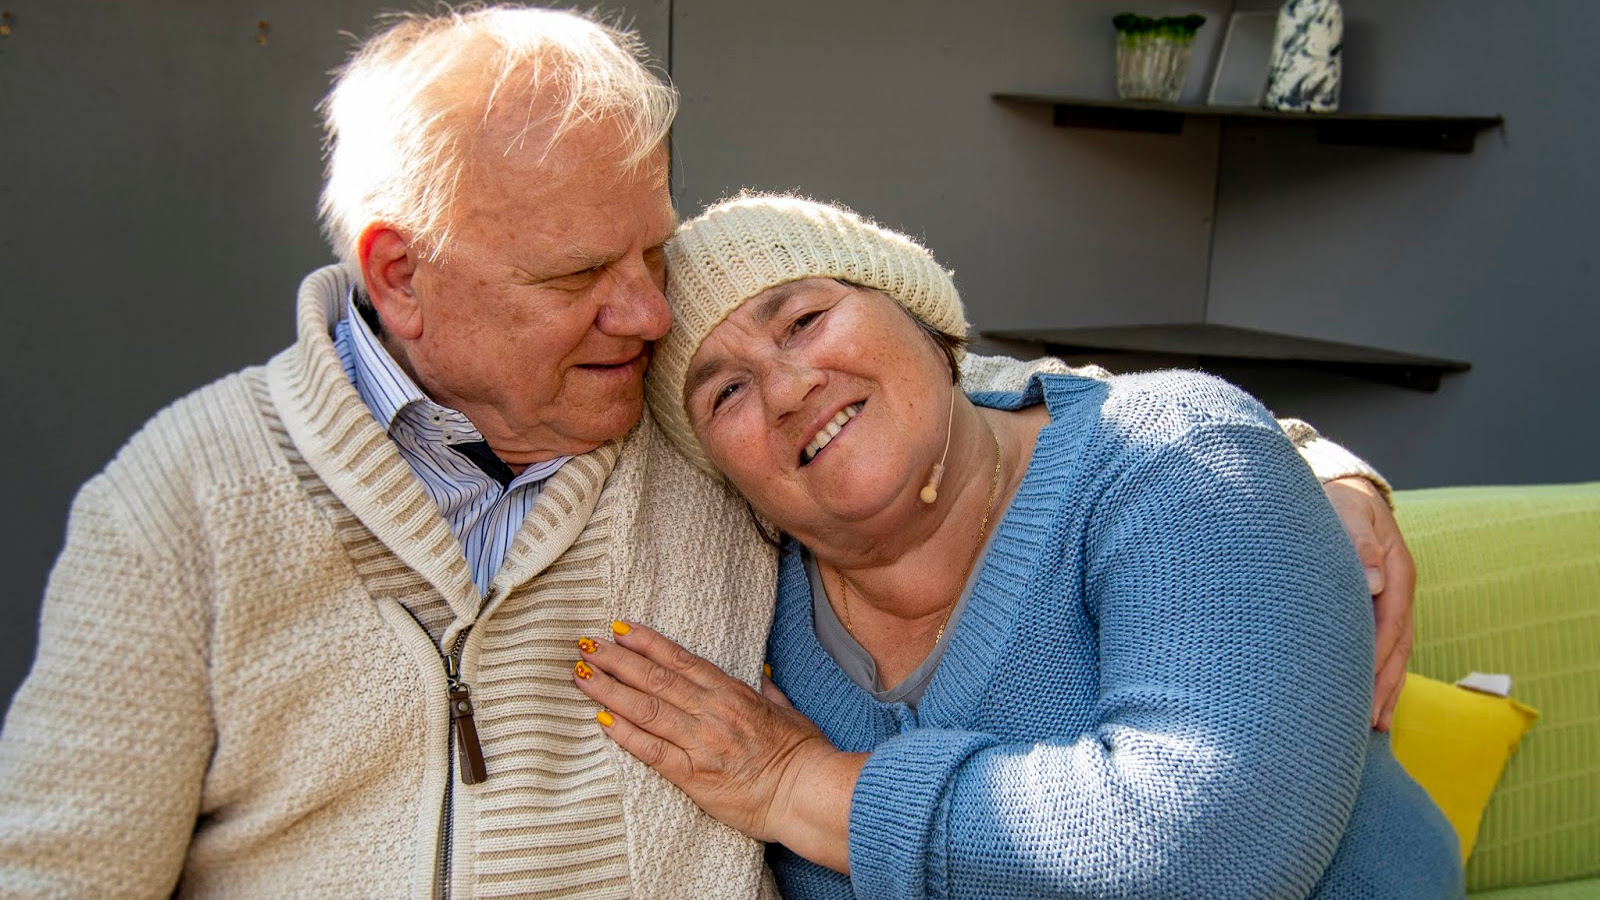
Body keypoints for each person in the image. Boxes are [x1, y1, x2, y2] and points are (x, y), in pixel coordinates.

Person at [0, 7, 1411, 898]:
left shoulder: (682, 432)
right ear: (401, 273)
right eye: (580, 276)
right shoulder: (186, 502)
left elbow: (993, 404)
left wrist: (1304, 466)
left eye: (648, 251)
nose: (646, 315)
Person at [572, 194, 1463, 899]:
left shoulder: (1169, 459)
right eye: (723, 393)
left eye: (803, 319)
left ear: (921, 318)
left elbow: (1208, 850)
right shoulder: (753, 617)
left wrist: (803, 788)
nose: (788, 385)